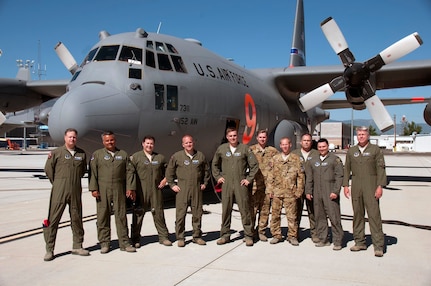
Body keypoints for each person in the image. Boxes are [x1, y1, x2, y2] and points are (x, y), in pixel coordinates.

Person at [43, 128, 89, 261]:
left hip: (75, 190)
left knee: (76, 217)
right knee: (54, 218)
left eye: (74, 137)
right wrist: (57, 182)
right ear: (65, 138)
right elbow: (48, 169)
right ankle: (49, 249)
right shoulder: (56, 153)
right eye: (70, 137)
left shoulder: (81, 154)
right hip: (60, 190)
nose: (72, 139)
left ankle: (77, 245)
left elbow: (82, 171)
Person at [89, 131, 136, 254]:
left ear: (115, 140)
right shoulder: (97, 155)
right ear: (103, 142)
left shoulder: (123, 154)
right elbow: (92, 172)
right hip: (102, 189)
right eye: (107, 140)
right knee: (102, 216)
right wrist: (93, 188)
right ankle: (104, 243)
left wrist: (130, 187)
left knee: (121, 215)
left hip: (118, 188)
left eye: (111, 140)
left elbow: (129, 171)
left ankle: (124, 243)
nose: (110, 142)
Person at [343, 126, 386, 257]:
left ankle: (378, 245)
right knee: (357, 215)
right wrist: (345, 185)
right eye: (359, 134)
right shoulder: (352, 151)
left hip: (371, 185)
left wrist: (380, 186)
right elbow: (347, 169)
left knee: (374, 215)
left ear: (368, 135)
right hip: (356, 186)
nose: (361, 136)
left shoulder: (375, 150)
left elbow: (381, 169)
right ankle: (359, 241)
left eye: (363, 134)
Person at [211, 128, 259, 246]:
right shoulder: (222, 149)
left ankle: (248, 235)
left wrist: (248, 179)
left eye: (235, 135)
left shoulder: (244, 149)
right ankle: (225, 235)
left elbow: (254, 165)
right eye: (230, 136)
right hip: (226, 183)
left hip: (240, 183)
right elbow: (214, 164)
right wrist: (218, 177)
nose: (233, 137)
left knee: (244, 210)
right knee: (226, 210)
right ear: (227, 137)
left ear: (238, 136)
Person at [166, 135, 210, 247]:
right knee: (180, 215)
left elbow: (206, 171)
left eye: (190, 142)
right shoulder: (177, 156)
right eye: (186, 143)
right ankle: (180, 237)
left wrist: (204, 183)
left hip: (196, 189)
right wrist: (172, 185)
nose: (188, 144)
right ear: (183, 144)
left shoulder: (200, 156)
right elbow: (169, 172)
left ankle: (197, 236)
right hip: (182, 189)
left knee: (197, 214)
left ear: (193, 143)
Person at [128, 135, 172, 247]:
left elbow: (168, 170)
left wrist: (165, 180)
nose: (149, 145)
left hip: (156, 191)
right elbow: (130, 173)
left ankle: (163, 237)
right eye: (147, 143)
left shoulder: (160, 158)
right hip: (141, 191)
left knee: (158, 213)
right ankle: (135, 239)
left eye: (151, 143)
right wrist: (131, 188)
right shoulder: (136, 157)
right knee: (138, 215)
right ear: (143, 144)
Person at [305, 138, 344, 250]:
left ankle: (337, 241)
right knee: (319, 217)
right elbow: (309, 178)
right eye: (320, 147)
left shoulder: (334, 160)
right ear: (317, 148)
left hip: (330, 191)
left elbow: (339, 176)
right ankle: (323, 239)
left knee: (334, 217)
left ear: (328, 147)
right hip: (317, 192)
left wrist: (335, 191)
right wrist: (308, 191)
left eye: (324, 147)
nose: (322, 149)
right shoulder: (313, 160)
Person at [266, 137, 304, 246]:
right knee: (275, 215)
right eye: (283, 144)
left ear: (290, 145)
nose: (285, 146)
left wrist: (299, 191)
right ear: (280, 145)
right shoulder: (275, 159)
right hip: (277, 192)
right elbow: (270, 176)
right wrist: (270, 190)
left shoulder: (296, 159)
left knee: (292, 216)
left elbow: (300, 177)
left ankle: (292, 236)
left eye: (286, 144)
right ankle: (276, 235)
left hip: (290, 192)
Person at [249, 130, 279, 242]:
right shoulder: (251, 150)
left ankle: (261, 231)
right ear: (257, 138)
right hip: (254, 186)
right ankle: (250, 232)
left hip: (267, 186)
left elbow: (277, 168)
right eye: (260, 137)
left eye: (264, 137)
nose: (262, 139)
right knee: (252, 210)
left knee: (265, 210)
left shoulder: (273, 151)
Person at [292, 133, 319, 243]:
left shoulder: (316, 154)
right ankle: (295, 234)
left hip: (312, 187)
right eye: (304, 140)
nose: (306, 142)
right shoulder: (294, 154)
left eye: (308, 140)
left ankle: (315, 233)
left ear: (311, 142)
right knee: (296, 212)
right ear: (300, 142)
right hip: (298, 187)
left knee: (312, 211)